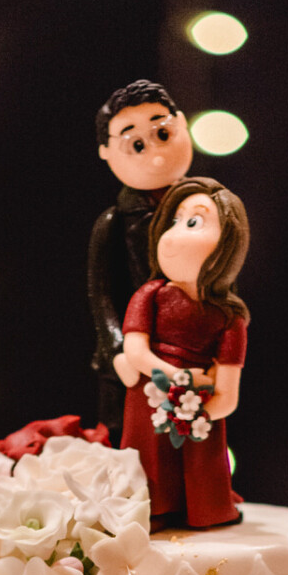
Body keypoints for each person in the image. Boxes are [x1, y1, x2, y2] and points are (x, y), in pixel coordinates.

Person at [119, 177, 250, 530]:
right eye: (175, 221)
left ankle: (204, 507)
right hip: (149, 393)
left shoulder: (230, 318)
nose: (174, 235)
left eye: (193, 222)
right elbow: (135, 351)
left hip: (198, 411)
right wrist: (178, 378)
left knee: (200, 460)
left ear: (228, 242)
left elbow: (228, 394)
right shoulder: (150, 294)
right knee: (149, 455)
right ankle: (151, 510)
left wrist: (197, 415)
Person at [88, 80, 194, 439]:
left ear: (182, 124)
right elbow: (101, 296)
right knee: (125, 435)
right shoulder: (114, 223)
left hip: (190, 349)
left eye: (162, 133)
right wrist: (117, 350)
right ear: (106, 152)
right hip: (130, 358)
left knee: (189, 432)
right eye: (135, 143)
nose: (155, 153)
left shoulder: (202, 209)